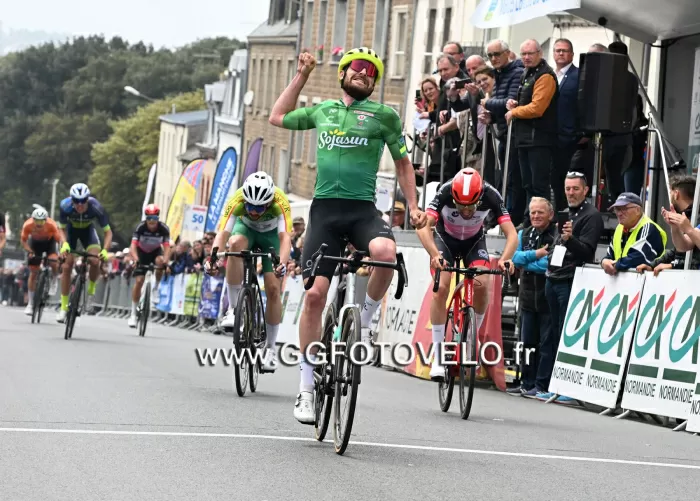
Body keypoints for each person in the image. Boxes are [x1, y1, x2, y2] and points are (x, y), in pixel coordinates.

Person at [268, 47, 427, 424]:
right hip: (324, 213)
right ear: (342, 75)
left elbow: (404, 163)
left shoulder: (384, 116)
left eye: (371, 72)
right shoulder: (323, 110)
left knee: (386, 252)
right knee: (313, 296)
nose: (364, 74)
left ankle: (366, 324)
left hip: (361, 212)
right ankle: (305, 389)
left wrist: (415, 205)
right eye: (356, 69)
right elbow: (276, 116)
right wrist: (302, 75)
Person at [416, 167, 517, 381]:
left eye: (471, 206)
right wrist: (434, 254)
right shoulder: (444, 191)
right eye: (461, 205)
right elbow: (423, 228)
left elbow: (512, 234)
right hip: (445, 242)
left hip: (474, 242)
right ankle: (439, 356)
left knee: (482, 283)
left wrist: (506, 258)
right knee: (441, 288)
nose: (466, 210)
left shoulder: (491, 194)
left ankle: (472, 336)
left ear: (479, 197)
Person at [205, 172, 292, 373]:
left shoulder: (280, 202)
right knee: (234, 244)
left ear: (269, 202)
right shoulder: (237, 200)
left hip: (272, 237)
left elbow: (285, 238)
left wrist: (283, 263)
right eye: (250, 206)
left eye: (260, 207)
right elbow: (223, 234)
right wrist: (213, 258)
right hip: (246, 231)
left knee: (272, 289)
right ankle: (233, 310)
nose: (253, 211)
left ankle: (270, 349)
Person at [537, 171, 603, 403]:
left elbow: (587, 251)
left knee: (569, 333)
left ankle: (570, 389)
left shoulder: (592, 216)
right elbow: (557, 247)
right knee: (554, 332)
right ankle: (554, 385)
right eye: (567, 189)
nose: (571, 193)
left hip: (571, 281)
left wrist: (569, 239)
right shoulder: (566, 215)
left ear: (586, 190)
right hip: (553, 278)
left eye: (575, 189)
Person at [504, 198, 557, 397]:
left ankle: (541, 385)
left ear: (550, 215)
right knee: (527, 344)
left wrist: (525, 262)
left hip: (546, 297)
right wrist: (535, 254)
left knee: (546, 344)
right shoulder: (523, 233)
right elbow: (512, 257)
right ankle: (526, 382)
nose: (535, 216)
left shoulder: (555, 234)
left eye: (540, 213)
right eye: (533, 212)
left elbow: (549, 264)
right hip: (527, 297)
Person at [506, 39, 559, 227]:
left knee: (539, 185)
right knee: (527, 184)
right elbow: (528, 102)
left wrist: (514, 112)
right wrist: (515, 104)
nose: (526, 57)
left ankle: (543, 224)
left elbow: (538, 108)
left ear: (540, 54)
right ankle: (529, 221)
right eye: (523, 54)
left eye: (530, 53)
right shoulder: (527, 73)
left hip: (540, 140)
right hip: (525, 139)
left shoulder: (545, 76)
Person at [56, 183, 112, 322]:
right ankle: (63, 308)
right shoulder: (65, 206)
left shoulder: (96, 207)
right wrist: (64, 244)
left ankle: (91, 292)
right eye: (76, 201)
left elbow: (108, 232)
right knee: (67, 266)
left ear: (88, 199)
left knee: (94, 260)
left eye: (83, 201)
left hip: (88, 232)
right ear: (71, 199)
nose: (80, 205)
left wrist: (105, 250)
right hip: (71, 233)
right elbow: (61, 229)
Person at [601, 192, 666, 275]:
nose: (619, 213)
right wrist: (604, 261)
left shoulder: (649, 228)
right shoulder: (620, 228)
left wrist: (613, 265)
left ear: (638, 210)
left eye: (624, 209)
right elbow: (610, 255)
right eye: (617, 209)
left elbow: (637, 258)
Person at [127, 204, 171, 328]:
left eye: (155, 218)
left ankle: (156, 287)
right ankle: (133, 314)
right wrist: (136, 259)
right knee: (139, 280)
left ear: (158, 218)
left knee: (160, 261)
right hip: (141, 253)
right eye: (149, 218)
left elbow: (167, 248)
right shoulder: (140, 227)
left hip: (155, 252)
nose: (152, 222)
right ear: (146, 218)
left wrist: (166, 262)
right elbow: (133, 246)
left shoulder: (163, 229)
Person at [20, 208, 62, 315]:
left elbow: (59, 241)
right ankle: (30, 303)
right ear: (33, 219)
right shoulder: (27, 225)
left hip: (49, 243)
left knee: (53, 261)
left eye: (42, 221)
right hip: (35, 244)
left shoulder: (52, 225)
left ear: (46, 220)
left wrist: (61, 253)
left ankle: (54, 277)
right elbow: (23, 241)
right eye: (37, 221)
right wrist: (30, 251)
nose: (39, 224)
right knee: (33, 272)